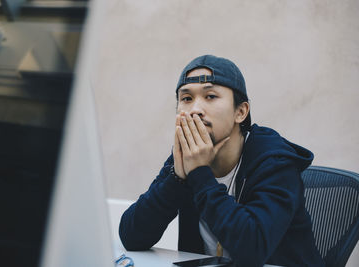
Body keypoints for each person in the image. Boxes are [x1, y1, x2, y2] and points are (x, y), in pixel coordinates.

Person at [119, 55, 324, 267]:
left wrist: (199, 173)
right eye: (187, 99)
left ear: (241, 112)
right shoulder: (187, 155)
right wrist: (177, 180)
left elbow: (252, 251)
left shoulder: (275, 161)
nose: (195, 109)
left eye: (210, 96)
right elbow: (132, 237)